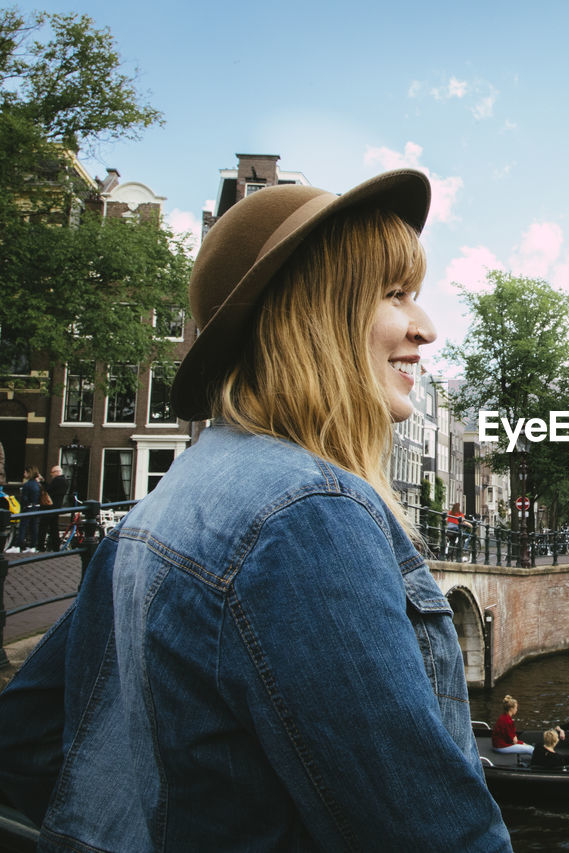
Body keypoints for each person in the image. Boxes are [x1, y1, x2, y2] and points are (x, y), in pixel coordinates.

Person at [0, 170, 510, 850]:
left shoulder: (158, 509)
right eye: (395, 294)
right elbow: (436, 835)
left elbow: (26, 743)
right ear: (314, 317)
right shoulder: (309, 517)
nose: (427, 327)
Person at [39, 465, 68, 552]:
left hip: (50, 507)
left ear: (56, 472)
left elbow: (49, 490)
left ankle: (40, 546)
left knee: (43, 526)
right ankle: (56, 547)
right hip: (57, 507)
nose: (51, 475)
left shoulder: (57, 480)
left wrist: (42, 482)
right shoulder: (65, 481)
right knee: (54, 527)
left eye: (52, 472)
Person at [16, 467, 41, 552]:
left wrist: (24, 505)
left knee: (23, 526)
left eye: (25, 472)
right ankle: (33, 546)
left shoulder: (27, 485)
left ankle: (19, 545)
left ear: (28, 473)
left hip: (28, 508)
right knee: (34, 527)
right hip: (36, 507)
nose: (24, 474)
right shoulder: (37, 484)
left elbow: (24, 498)